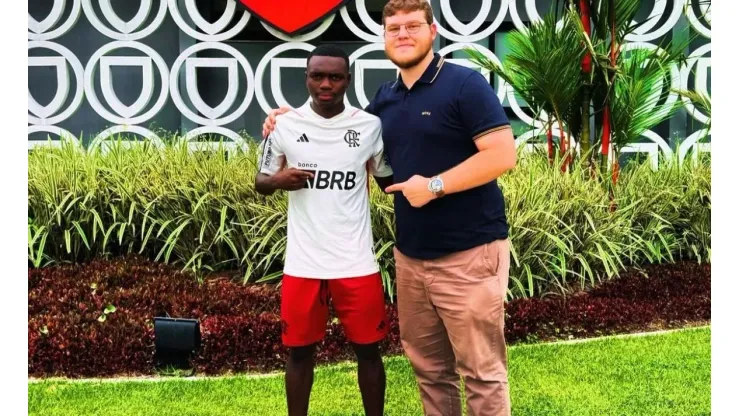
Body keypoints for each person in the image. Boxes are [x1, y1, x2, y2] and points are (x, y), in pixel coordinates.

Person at [262, 1, 517, 414]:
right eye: (393, 27)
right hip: (412, 258)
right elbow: (344, 125)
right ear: (384, 38)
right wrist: (295, 119)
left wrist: (435, 186)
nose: (402, 34)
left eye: (413, 25)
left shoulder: (465, 84)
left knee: (481, 372)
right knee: (431, 371)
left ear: (432, 32)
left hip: (469, 253)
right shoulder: (386, 98)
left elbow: (503, 155)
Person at [255, 44, 393, 416]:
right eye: (318, 76)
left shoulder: (368, 126)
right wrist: (279, 179)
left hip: (356, 262)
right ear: (306, 77)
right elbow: (261, 181)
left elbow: (388, 180)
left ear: (347, 79)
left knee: (369, 350)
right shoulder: (284, 126)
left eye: (335, 76)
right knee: (299, 353)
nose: (326, 84)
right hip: (304, 264)